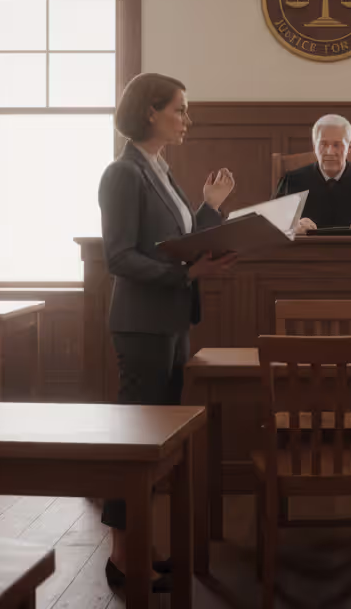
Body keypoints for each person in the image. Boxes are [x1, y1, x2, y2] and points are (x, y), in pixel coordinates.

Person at [97, 72, 237, 592]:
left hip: (172, 321)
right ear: (150, 111)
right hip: (141, 325)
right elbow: (120, 258)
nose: (186, 118)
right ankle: (121, 557)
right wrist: (187, 274)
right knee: (135, 444)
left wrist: (211, 211)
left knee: (154, 443)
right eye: (179, 108)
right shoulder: (123, 173)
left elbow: (175, 241)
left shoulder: (159, 168)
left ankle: (142, 549)